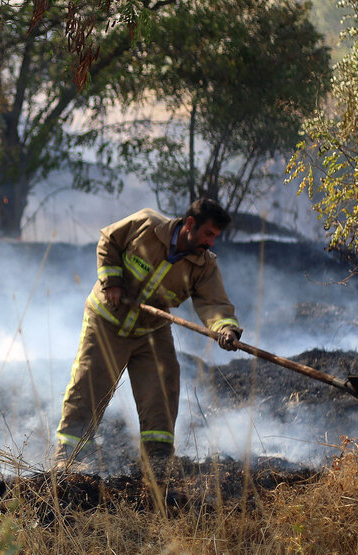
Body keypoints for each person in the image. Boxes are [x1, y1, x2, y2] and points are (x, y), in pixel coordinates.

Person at [55, 198, 242, 472]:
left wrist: (225, 328)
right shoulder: (146, 224)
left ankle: (158, 462)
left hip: (151, 330)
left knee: (162, 390)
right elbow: (108, 241)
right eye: (208, 234)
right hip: (107, 322)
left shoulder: (204, 266)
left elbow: (214, 304)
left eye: (215, 236)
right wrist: (113, 282)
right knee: (88, 386)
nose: (211, 242)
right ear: (190, 224)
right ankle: (68, 457)